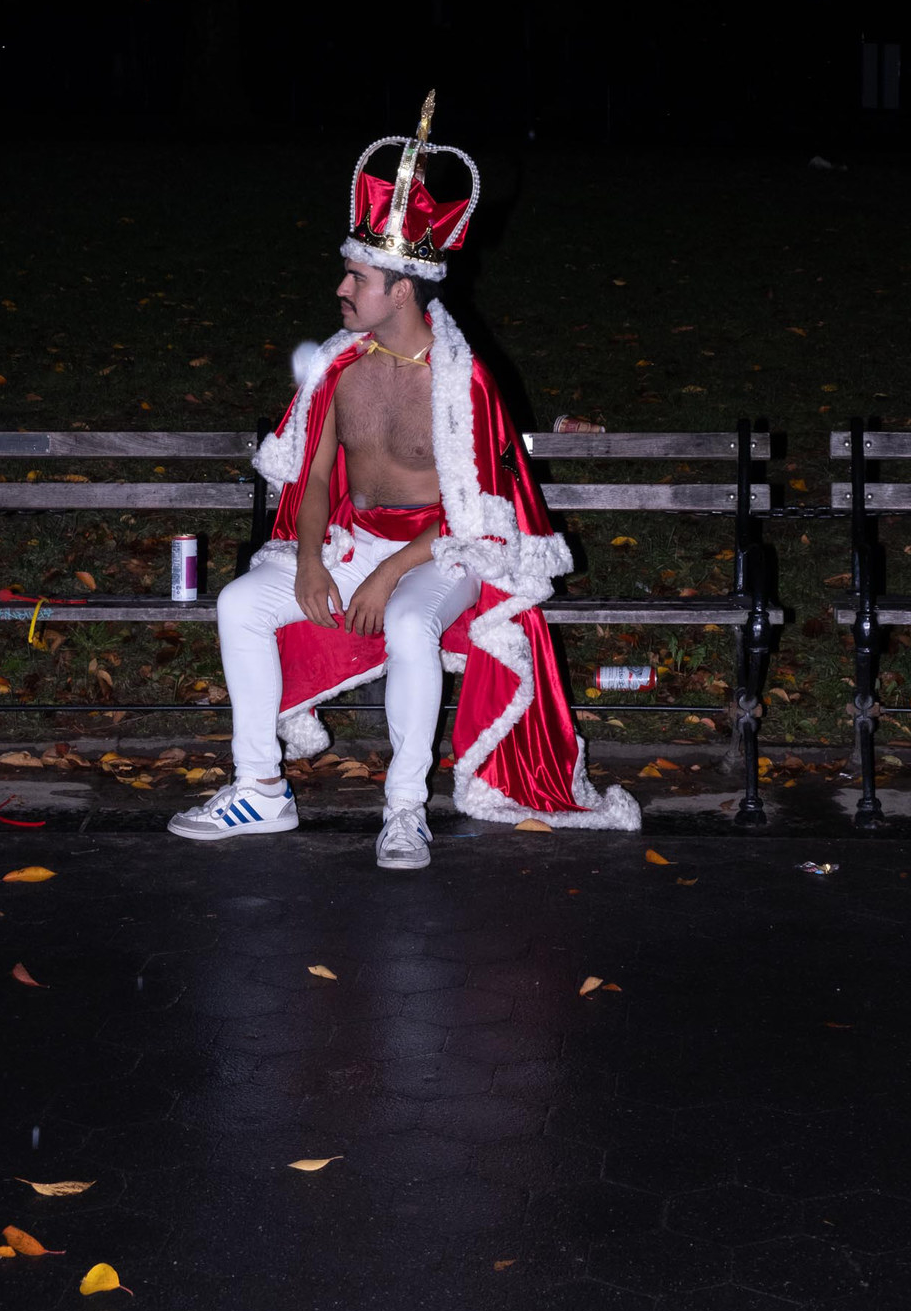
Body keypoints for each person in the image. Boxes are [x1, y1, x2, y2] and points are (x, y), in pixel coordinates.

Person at [169, 96, 638, 868]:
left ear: (403, 289)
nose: (341, 290)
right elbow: (314, 474)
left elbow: (474, 512)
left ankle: (404, 809)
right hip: (350, 542)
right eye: (344, 275)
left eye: (356, 278)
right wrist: (314, 558)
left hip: (439, 552)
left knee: (412, 626)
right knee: (239, 604)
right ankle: (260, 787)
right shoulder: (337, 364)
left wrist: (390, 572)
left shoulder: (462, 384)